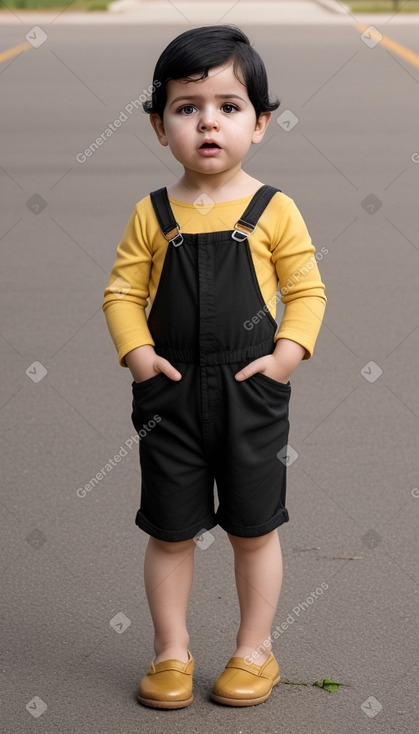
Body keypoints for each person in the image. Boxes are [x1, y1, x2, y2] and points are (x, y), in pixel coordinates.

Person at [102, 24, 326, 709]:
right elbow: (122, 293)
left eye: (228, 107)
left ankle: (254, 649)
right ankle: (170, 651)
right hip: (168, 396)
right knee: (170, 532)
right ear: (157, 124)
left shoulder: (273, 210)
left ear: (258, 124)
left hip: (249, 392)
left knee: (253, 528)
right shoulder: (152, 213)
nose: (208, 122)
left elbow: (306, 292)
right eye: (186, 106)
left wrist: (284, 359)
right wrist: (140, 359)